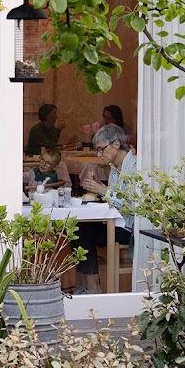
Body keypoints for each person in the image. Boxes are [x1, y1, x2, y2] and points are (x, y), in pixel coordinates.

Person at [72, 123, 137, 294]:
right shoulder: (116, 168)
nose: (99, 155)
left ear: (116, 144)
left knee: (84, 230)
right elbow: (116, 196)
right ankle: (87, 284)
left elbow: (133, 204)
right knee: (76, 226)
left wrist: (102, 190)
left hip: (131, 227)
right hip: (117, 221)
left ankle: (93, 287)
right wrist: (101, 187)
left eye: (101, 149)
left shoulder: (135, 166)